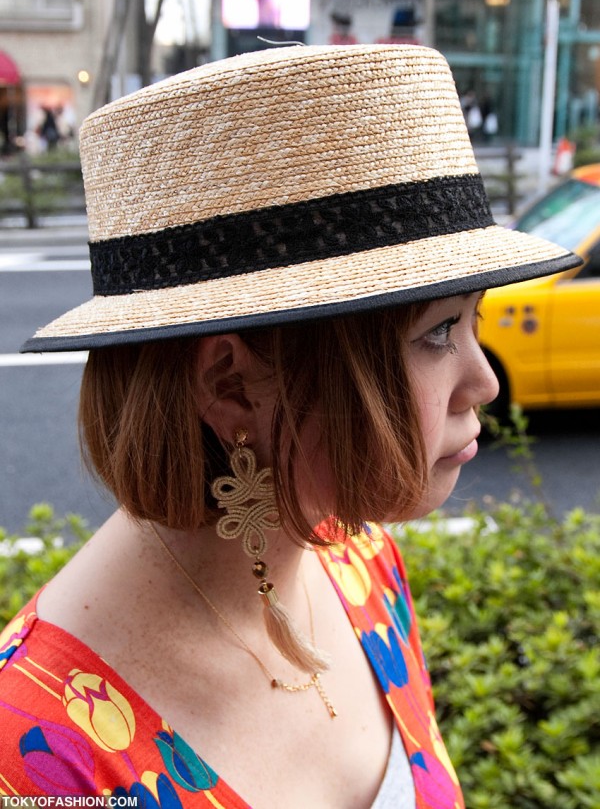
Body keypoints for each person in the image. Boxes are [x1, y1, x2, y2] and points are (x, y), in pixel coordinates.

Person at [0, 45, 579, 804]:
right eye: (438, 332)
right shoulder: (38, 754)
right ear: (231, 384)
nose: (485, 380)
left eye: (475, 323)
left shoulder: (357, 555)